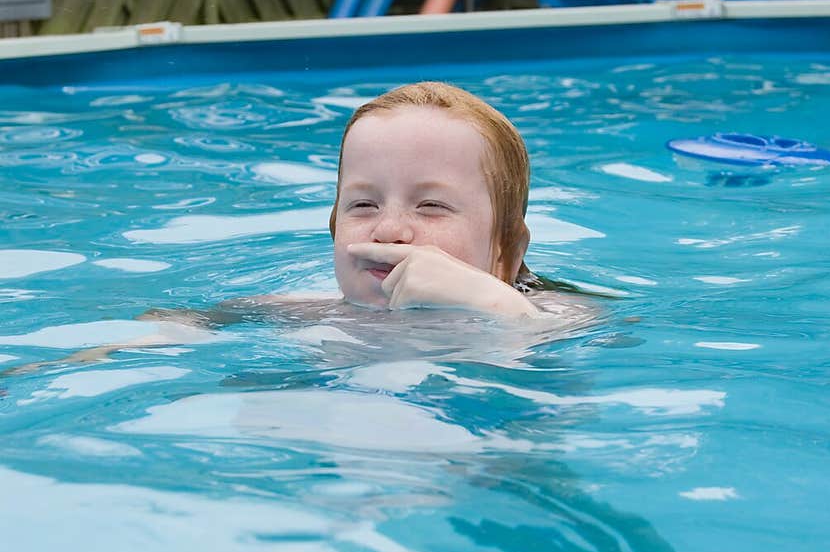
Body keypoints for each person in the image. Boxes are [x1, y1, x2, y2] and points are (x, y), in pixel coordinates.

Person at [4, 81, 609, 377]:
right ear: (332, 228)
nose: (392, 230)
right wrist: (59, 367)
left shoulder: (552, 315)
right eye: (363, 206)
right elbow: (187, 324)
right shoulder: (310, 311)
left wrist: (495, 303)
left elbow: (572, 351)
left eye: (431, 208)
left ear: (507, 250)